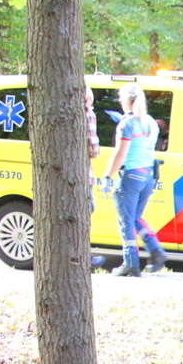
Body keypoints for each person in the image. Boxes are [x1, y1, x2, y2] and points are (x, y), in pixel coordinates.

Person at [101, 83, 168, 277]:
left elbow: (121, 154)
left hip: (131, 175)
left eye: (121, 99)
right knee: (136, 217)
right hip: (147, 175)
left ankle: (130, 263)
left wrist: (107, 176)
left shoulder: (127, 124)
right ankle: (155, 249)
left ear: (127, 101)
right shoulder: (150, 123)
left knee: (126, 221)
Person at [84, 87, 106, 270]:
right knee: (86, 210)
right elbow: (94, 147)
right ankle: (85, 256)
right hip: (84, 173)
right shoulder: (88, 114)